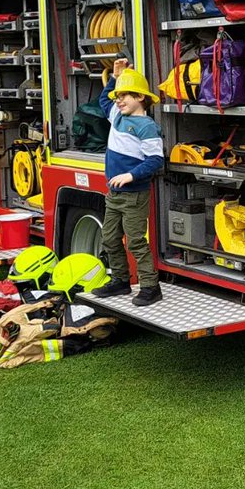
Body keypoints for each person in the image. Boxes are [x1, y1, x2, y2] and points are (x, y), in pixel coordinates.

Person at [97, 59, 165, 308]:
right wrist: (114, 78)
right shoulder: (117, 115)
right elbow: (104, 101)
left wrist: (130, 176)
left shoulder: (146, 127)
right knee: (109, 238)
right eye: (118, 96)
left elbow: (155, 160)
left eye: (124, 95)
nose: (118, 100)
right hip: (114, 194)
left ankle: (150, 287)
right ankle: (120, 280)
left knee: (135, 241)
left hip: (134, 194)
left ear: (141, 97)